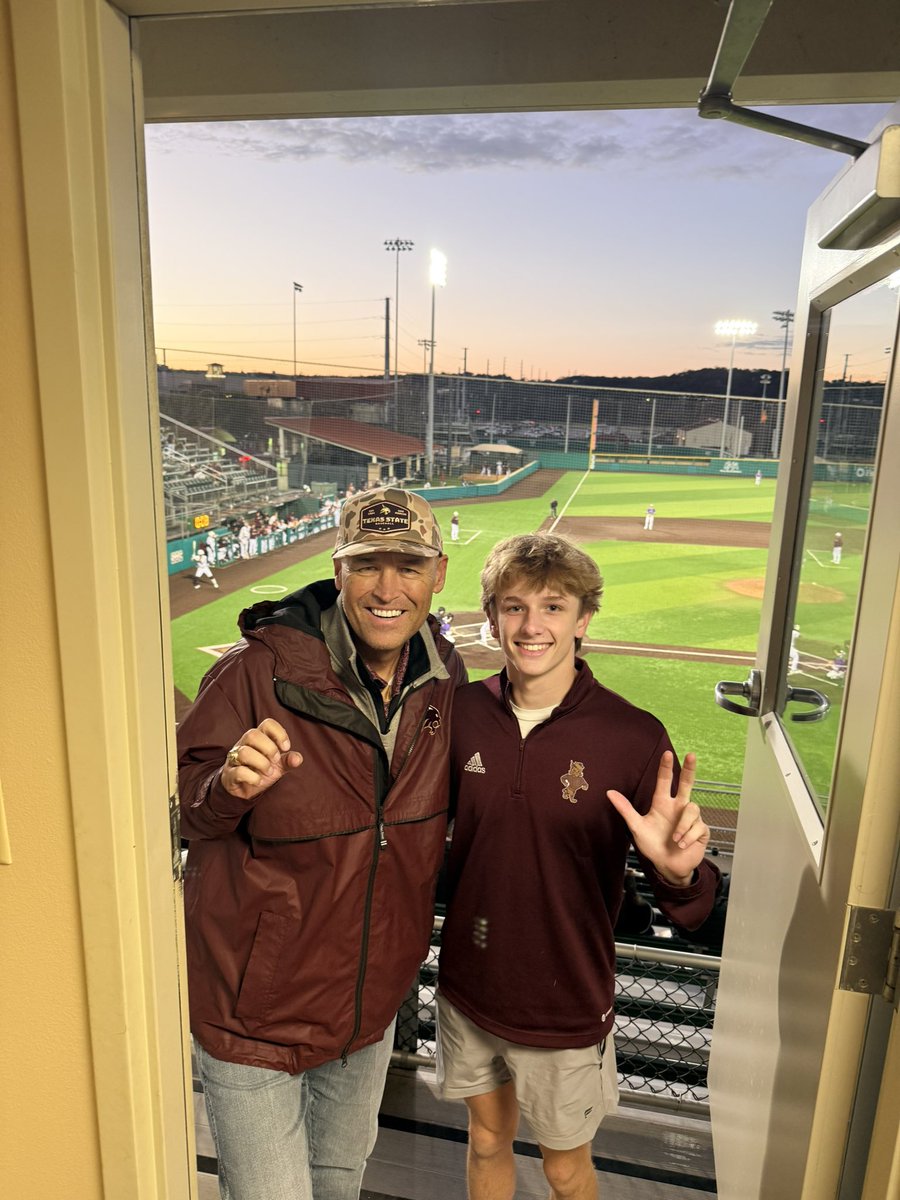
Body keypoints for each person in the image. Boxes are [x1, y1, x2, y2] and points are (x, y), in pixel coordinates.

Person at [177, 486, 466, 1200]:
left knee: (339, 1190)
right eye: (368, 564)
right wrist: (228, 789)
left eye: (410, 565)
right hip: (255, 1020)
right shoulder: (252, 674)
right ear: (338, 571)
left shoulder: (445, 682)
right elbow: (187, 813)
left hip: (366, 1018)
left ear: (439, 573)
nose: (388, 588)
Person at [436, 533, 719, 1200]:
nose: (532, 627)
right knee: (484, 1143)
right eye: (513, 608)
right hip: (468, 985)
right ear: (492, 616)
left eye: (554, 607)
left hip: (564, 1004)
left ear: (584, 619)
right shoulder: (460, 714)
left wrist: (678, 873)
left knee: (565, 1170)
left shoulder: (634, 735)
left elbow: (690, 898)